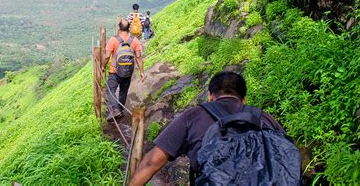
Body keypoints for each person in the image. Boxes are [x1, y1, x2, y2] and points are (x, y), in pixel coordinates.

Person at [129, 71, 290, 185]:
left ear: (210, 95)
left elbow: (152, 162)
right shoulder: (264, 118)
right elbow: (286, 157)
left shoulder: (194, 116)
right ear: (244, 99)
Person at [102, 19, 145, 121]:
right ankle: (119, 111)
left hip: (114, 72)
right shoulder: (134, 40)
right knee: (123, 92)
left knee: (110, 90)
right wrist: (142, 72)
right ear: (129, 28)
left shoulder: (113, 40)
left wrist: (103, 66)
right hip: (128, 72)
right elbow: (138, 57)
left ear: (118, 27)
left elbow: (107, 56)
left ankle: (116, 110)